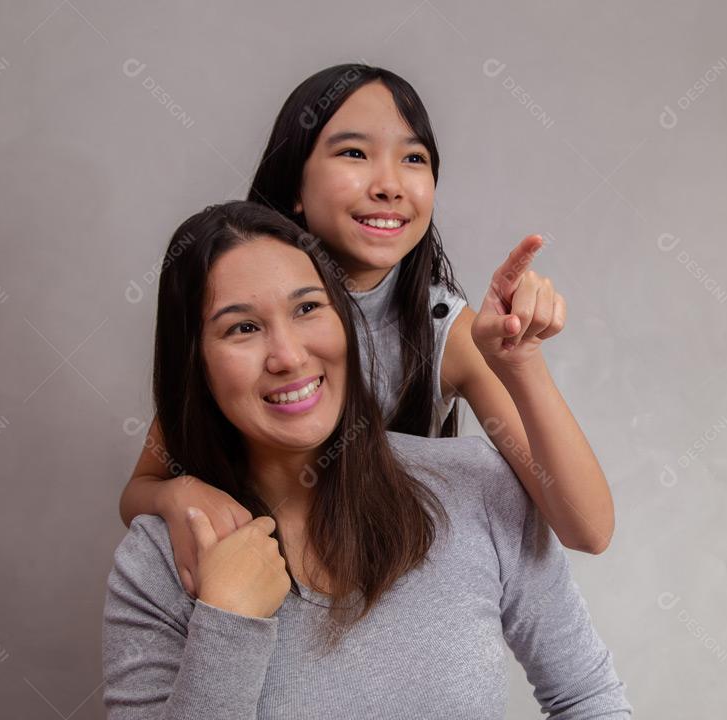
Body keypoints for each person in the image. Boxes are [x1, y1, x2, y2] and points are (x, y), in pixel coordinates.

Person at [102, 200, 633, 718]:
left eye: (307, 308)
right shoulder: (161, 563)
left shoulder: (474, 486)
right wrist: (229, 622)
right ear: (195, 365)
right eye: (242, 327)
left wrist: (521, 363)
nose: (288, 356)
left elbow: (587, 698)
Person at [118, 65, 619, 602]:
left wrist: (521, 362)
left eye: (414, 158)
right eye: (354, 153)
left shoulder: (442, 329)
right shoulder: (245, 320)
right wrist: (181, 494)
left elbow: (587, 529)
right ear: (294, 185)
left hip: (389, 595)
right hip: (256, 592)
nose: (389, 186)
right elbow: (141, 489)